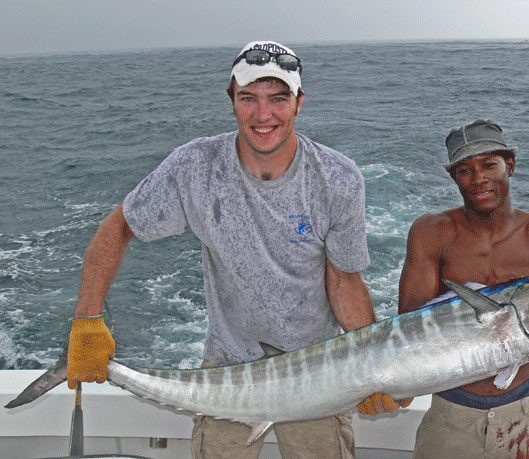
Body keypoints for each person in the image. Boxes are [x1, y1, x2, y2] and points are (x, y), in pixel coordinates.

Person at [66, 40, 405, 459]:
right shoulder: (195, 167)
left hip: (318, 369)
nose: (263, 115)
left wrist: (369, 368)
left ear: (300, 102)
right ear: (232, 102)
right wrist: (87, 320)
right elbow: (119, 226)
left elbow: (344, 280)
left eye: (278, 98)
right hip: (229, 370)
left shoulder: (338, 178)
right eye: (249, 98)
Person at [398, 119, 529, 458]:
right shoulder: (432, 232)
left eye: (488, 165)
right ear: (454, 178)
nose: (478, 178)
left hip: (524, 413)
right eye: (465, 170)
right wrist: (395, 384)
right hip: (451, 415)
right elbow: (410, 328)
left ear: (509, 166)